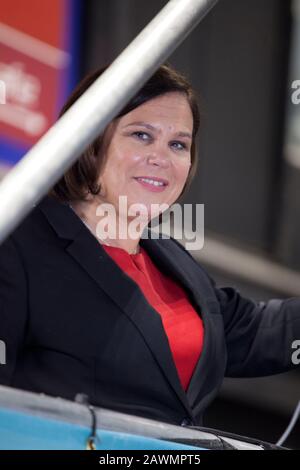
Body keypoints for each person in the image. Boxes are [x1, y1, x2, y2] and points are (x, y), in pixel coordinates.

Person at [0, 63, 299, 428]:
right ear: (88, 142)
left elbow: (257, 332)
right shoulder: (19, 241)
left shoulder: (172, 260)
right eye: (141, 135)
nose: (161, 157)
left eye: (178, 144)